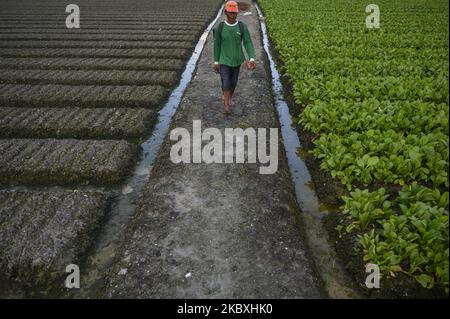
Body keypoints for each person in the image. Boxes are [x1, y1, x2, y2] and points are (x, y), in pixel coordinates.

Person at [213, 1, 256, 115]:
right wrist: (216, 61)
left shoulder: (242, 27)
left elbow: (247, 42)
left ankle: (228, 97)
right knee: (226, 82)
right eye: (231, 13)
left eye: (235, 13)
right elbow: (216, 45)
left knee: (233, 82)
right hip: (224, 60)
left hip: (237, 60)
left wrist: (251, 58)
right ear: (226, 12)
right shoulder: (220, 28)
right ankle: (226, 105)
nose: (233, 15)